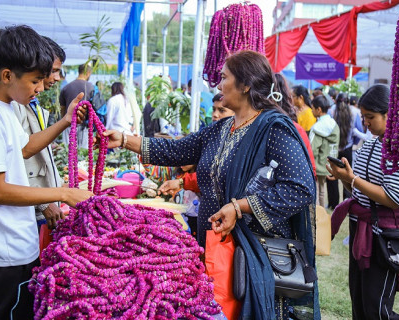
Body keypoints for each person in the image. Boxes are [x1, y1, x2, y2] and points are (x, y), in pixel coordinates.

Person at [103, 50, 318, 320]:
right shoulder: (220, 129)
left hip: (254, 253)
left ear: (245, 84)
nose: (218, 84)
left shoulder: (274, 129)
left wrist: (240, 207)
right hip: (215, 245)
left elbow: (300, 188)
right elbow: (175, 151)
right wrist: (123, 140)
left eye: (224, 78)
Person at [0, 25, 93, 320]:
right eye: (35, 81)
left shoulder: (1, 104)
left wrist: (65, 121)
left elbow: (25, 148)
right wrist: (64, 193)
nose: (41, 88)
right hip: (3, 247)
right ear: (7, 75)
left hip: (6, 242)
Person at [328, 84, 399, 320]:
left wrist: (354, 180)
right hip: (362, 228)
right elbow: (361, 190)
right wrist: (345, 179)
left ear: (390, 115)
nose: (366, 123)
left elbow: (395, 199)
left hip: (386, 235)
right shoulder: (371, 143)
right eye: (363, 117)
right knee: (359, 301)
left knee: (376, 308)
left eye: (370, 117)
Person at [12, 36, 67, 230]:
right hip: (31, 209)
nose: (57, 78)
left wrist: (59, 187)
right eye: (53, 71)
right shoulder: (14, 103)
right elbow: (21, 154)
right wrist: (44, 203)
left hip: (41, 204)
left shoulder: (32, 101)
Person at [327, 93, 364, 209]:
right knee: (348, 176)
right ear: (348, 102)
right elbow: (359, 130)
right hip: (347, 148)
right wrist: (353, 143)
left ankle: (333, 204)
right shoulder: (354, 112)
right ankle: (347, 203)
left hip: (333, 149)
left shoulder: (331, 111)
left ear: (336, 101)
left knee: (332, 175)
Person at [275, 74, 316, 177]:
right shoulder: (297, 114)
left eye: (293, 96)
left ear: (300, 97)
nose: (291, 99)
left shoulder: (307, 114)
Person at [309, 95, 339, 207]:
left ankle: (319, 212)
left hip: (318, 164)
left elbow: (313, 149)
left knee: (317, 191)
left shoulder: (318, 127)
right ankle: (323, 210)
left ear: (319, 109)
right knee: (322, 190)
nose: (311, 111)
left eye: (312, 108)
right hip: (329, 162)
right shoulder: (334, 124)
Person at [60, 63, 94, 148]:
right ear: (88, 73)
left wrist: (64, 121)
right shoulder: (91, 87)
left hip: (68, 125)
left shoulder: (66, 87)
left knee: (67, 151)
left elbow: (62, 108)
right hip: (84, 126)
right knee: (84, 154)